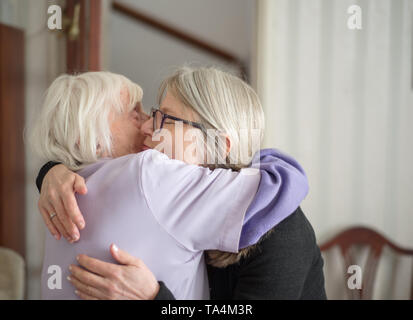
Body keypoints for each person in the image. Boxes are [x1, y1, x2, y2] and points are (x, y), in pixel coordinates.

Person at [31, 69, 311, 299]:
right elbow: (284, 181)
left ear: (217, 143)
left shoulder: (280, 229)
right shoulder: (148, 183)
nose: (147, 127)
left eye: (164, 119)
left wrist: (155, 297)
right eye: (139, 113)